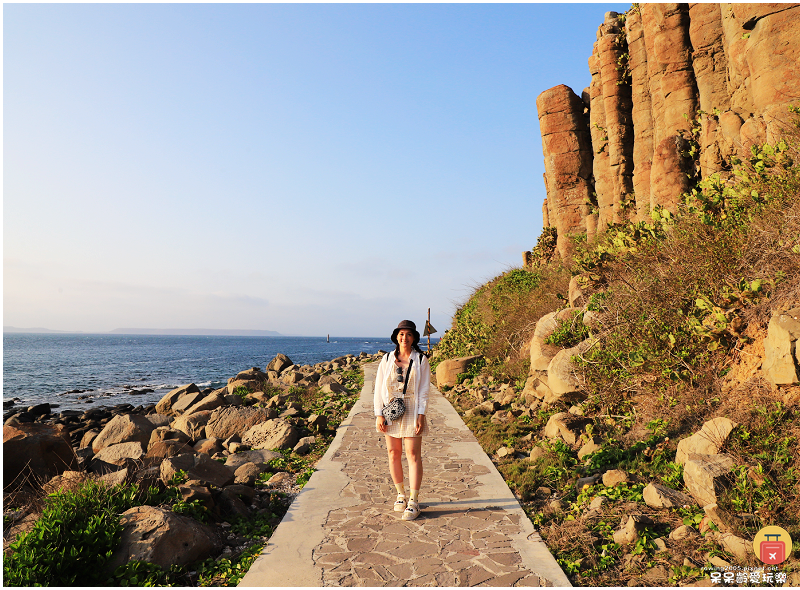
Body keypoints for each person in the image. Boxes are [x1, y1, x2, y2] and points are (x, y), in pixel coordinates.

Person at [374, 319, 431, 521]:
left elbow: (424, 391)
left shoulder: (421, 360)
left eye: (408, 334)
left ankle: (414, 501)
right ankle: (401, 495)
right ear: (396, 337)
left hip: (412, 409)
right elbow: (379, 387)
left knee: (413, 454)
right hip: (391, 410)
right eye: (401, 334)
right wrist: (379, 413)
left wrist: (421, 415)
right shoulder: (387, 359)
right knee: (393, 453)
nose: (404, 337)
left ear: (414, 337)